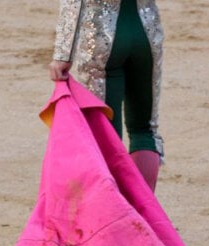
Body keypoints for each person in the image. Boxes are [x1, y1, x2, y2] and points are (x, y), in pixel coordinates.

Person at [49, 0, 165, 191]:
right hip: (147, 32)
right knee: (144, 131)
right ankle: (146, 211)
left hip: (102, 40)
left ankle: (117, 214)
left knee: (106, 134)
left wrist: (63, 55)